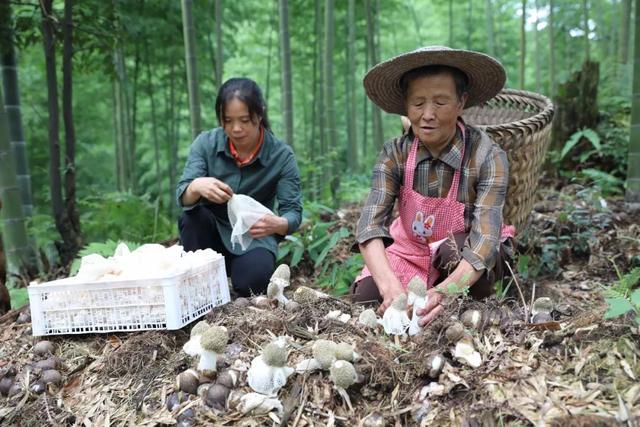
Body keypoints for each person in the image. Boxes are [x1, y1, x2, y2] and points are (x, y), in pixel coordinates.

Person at [351, 46, 515, 327]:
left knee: (453, 255)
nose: (427, 114)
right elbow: (369, 226)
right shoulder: (395, 154)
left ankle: (466, 304)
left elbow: (484, 240)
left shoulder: (488, 156)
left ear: (461, 102)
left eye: (440, 102)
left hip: (464, 252)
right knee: (368, 298)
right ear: (405, 105)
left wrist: (446, 291)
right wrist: (389, 286)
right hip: (410, 249)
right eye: (418, 103)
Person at [176, 77, 302, 297]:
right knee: (192, 218)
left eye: (244, 120)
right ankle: (202, 284)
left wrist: (278, 224)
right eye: (228, 120)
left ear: (259, 114)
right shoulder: (206, 144)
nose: (236, 129)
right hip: (210, 235)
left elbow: (293, 213)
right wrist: (196, 186)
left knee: (253, 284)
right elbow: (183, 196)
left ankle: (236, 276)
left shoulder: (281, 156)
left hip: (254, 238)